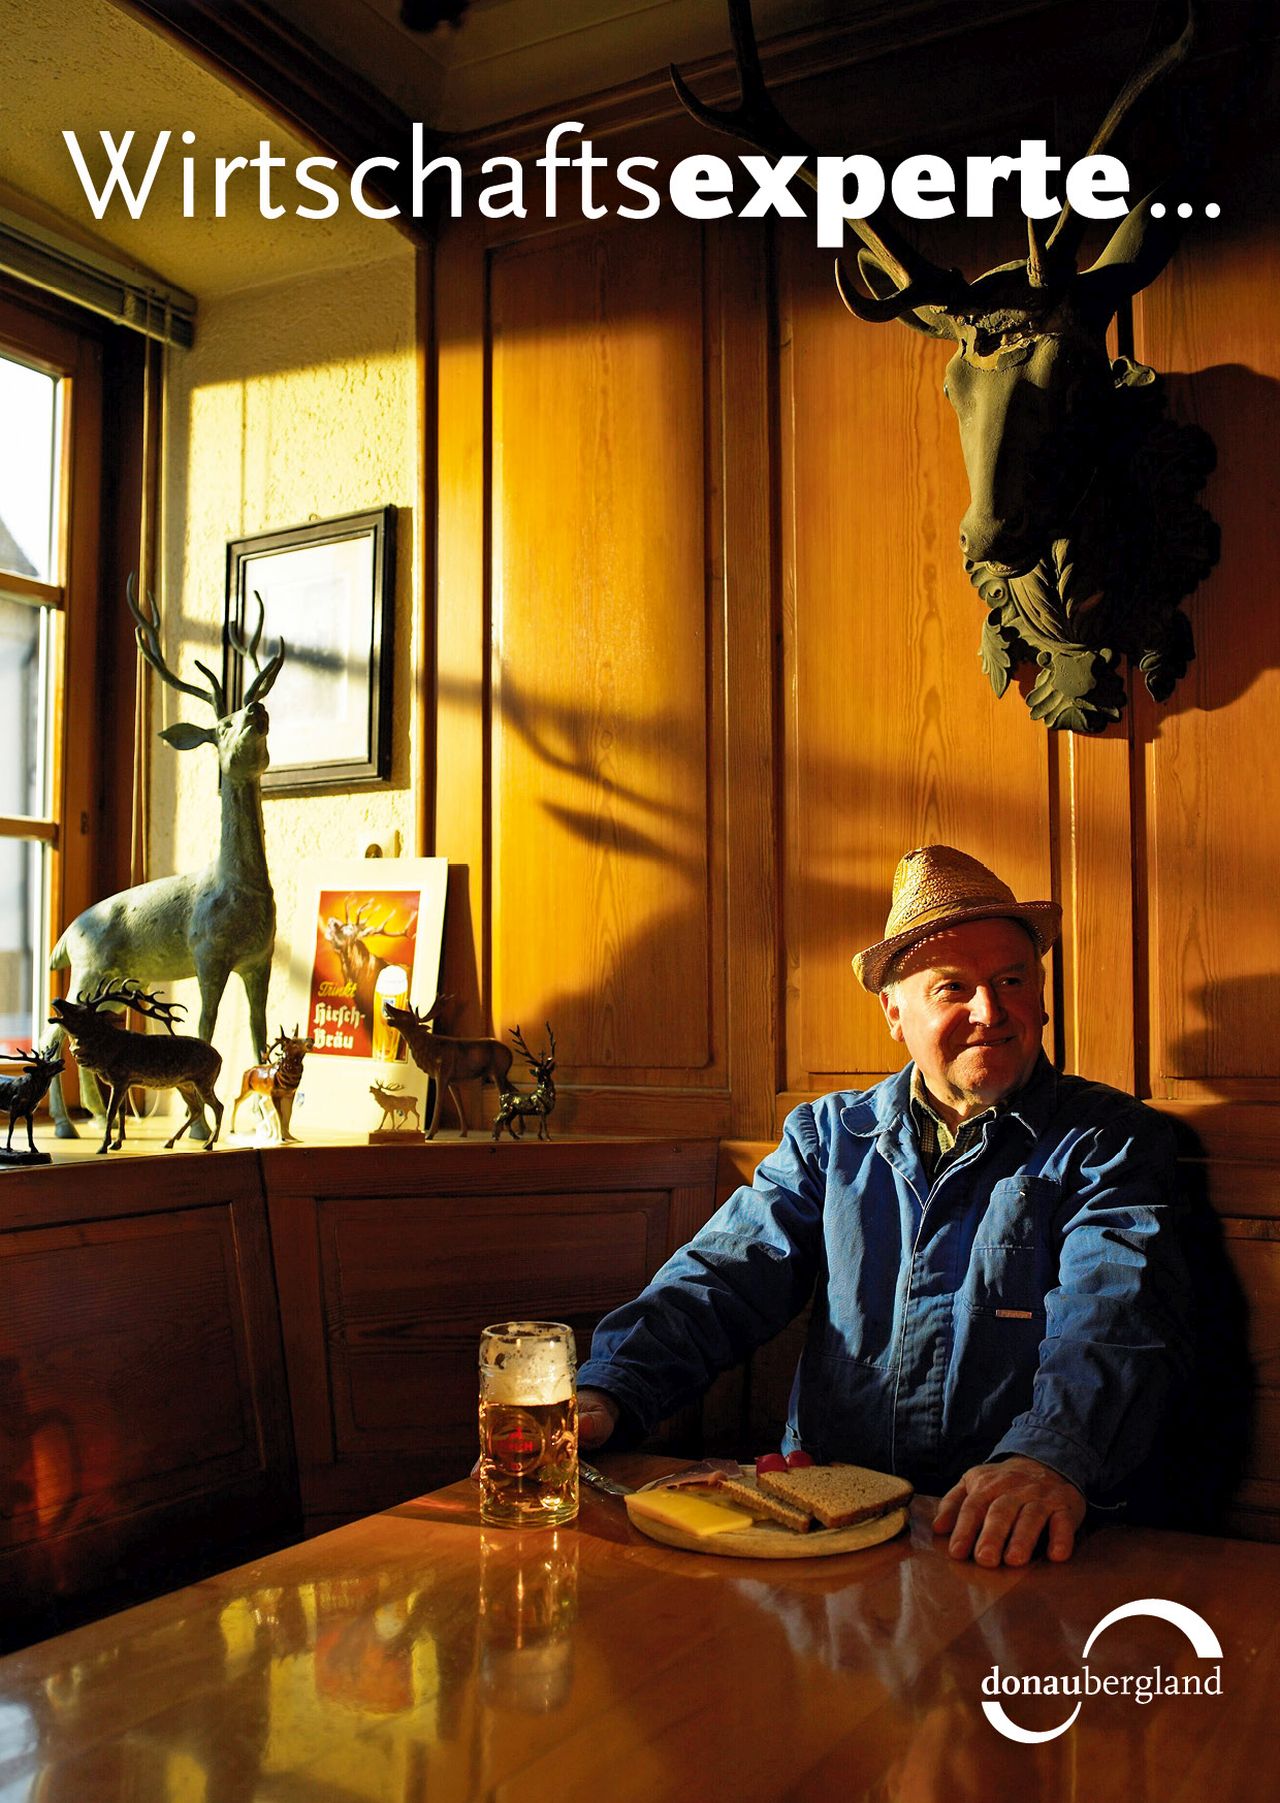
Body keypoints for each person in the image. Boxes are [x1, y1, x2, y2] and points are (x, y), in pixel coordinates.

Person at [576, 844, 1192, 1569]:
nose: (989, 1011)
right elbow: (723, 1277)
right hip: (816, 1532)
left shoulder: (1110, 1141)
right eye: (952, 988)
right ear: (895, 1013)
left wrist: (1046, 1458)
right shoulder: (828, 1137)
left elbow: (1112, 1314)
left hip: (1010, 1536)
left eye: (1011, 980)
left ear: (1042, 997)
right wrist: (608, 1389)